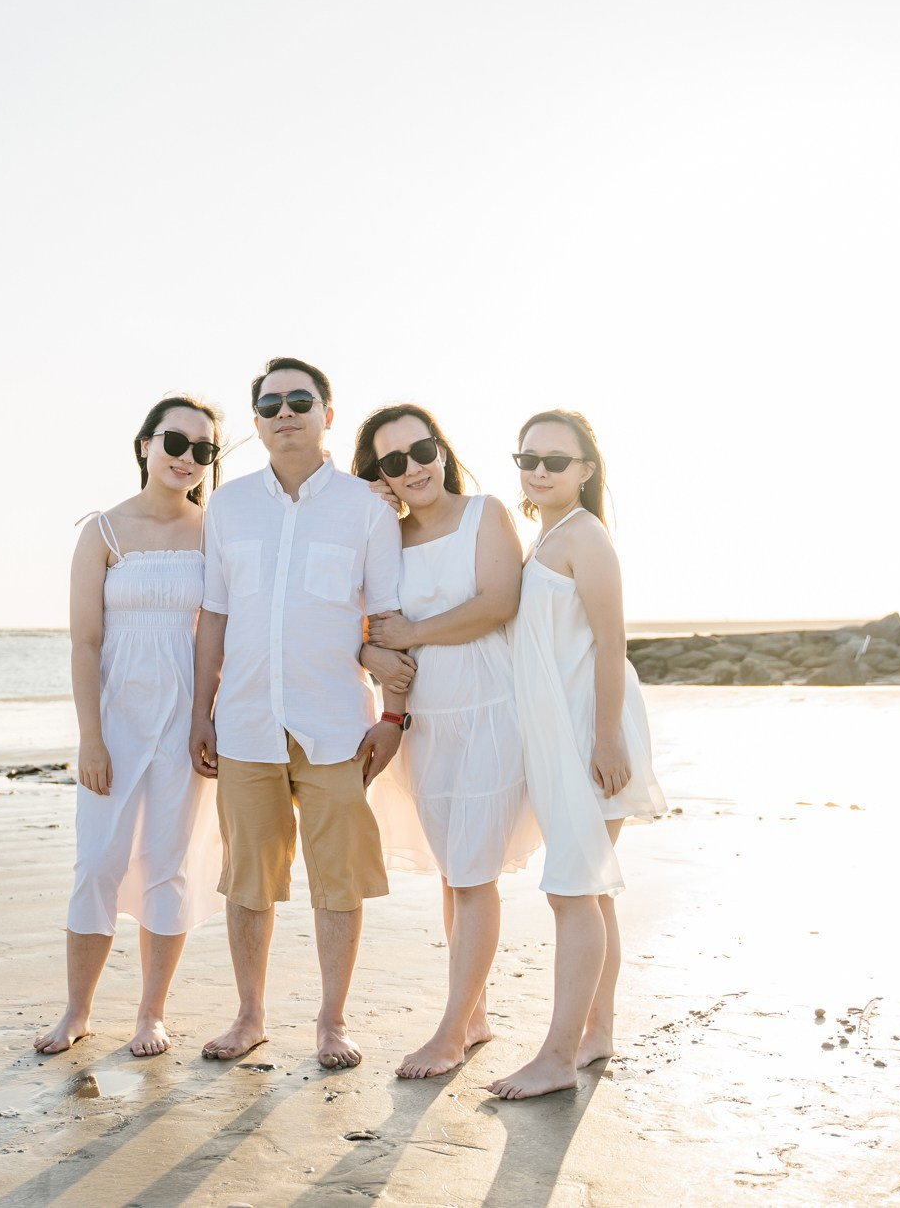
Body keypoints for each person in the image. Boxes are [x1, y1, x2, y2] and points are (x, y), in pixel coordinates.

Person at [190, 357, 405, 1070]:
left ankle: (332, 1021)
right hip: (246, 721)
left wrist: (394, 714)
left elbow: (389, 619)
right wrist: (202, 711)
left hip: (338, 725)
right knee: (248, 879)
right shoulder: (228, 506)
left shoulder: (368, 508)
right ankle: (249, 1015)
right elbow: (214, 617)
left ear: (327, 414)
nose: (285, 411)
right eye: (271, 402)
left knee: (338, 878)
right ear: (255, 421)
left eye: (300, 399)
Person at [36, 395, 226, 1058]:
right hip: (116, 722)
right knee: (96, 864)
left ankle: (151, 1013)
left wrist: (206, 719)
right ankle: (77, 1010)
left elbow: (221, 636)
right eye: (176, 441)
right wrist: (90, 736)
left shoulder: (214, 531)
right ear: (146, 442)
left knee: (167, 866)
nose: (187, 458)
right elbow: (85, 642)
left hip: (185, 722)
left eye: (204, 449)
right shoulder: (104, 531)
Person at [487, 409, 669, 1101]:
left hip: (593, 729)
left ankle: (559, 1055)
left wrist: (606, 738)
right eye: (527, 457)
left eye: (555, 460)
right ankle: (597, 1033)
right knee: (589, 890)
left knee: (572, 889)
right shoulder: (548, 535)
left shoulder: (586, 537)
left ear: (585, 470)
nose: (538, 470)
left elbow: (611, 641)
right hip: (565, 729)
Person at [355, 404, 541, 1080]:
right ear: (380, 475)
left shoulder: (487, 512)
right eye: (393, 462)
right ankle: (478, 1011)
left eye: (422, 450)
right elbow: (364, 623)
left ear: (442, 449)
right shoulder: (383, 537)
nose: (414, 468)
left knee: (471, 873)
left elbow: (499, 602)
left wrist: (412, 634)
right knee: (452, 871)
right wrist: (367, 509)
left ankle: (451, 1031)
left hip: (493, 710)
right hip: (428, 722)